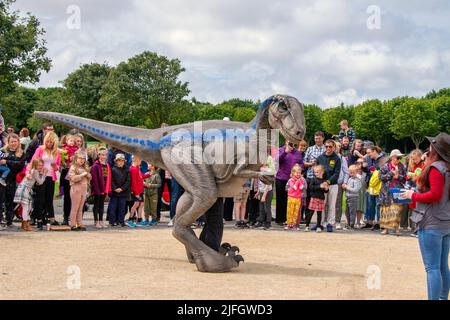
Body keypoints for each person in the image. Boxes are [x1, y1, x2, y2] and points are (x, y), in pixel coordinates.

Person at [401, 133, 450, 300]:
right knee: (442, 266)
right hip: (445, 222)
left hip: (431, 223)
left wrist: (412, 195)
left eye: (431, 145)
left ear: (435, 148)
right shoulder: (447, 167)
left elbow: (435, 195)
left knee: (432, 268)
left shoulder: (436, 168)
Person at [28, 131, 61, 227]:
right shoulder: (40, 149)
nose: (49, 144)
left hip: (51, 177)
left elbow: (58, 167)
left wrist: (55, 167)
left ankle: (51, 219)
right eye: (47, 142)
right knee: (39, 199)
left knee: (49, 199)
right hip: (40, 176)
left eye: (51, 142)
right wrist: (28, 172)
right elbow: (33, 161)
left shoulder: (57, 152)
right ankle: (38, 219)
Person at [378, 149, 407, 235]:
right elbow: (380, 177)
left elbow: (405, 178)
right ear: (392, 157)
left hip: (397, 190)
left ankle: (397, 228)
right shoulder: (385, 166)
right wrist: (391, 174)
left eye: (400, 157)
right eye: (397, 157)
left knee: (397, 209)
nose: (399, 159)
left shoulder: (402, 167)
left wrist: (398, 176)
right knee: (386, 210)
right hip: (386, 191)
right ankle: (386, 229)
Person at [0, 134, 26, 227]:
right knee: (0, 200)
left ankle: (9, 220)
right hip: (1, 180)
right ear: (8, 142)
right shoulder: (3, 151)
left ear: (18, 142)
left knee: (10, 201)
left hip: (13, 180)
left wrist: (7, 162)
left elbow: (20, 166)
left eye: (15, 141)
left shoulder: (21, 153)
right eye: (12, 141)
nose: (14, 143)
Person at [275, 140, 303, 225]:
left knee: (290, 200)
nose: (291, 144)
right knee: (280, 199)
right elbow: (276, 161)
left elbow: (301, 164)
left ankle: (289, 219)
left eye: (292, 142)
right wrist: (285, 152)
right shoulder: (280, 150)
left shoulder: (297, 153)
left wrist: (299, 168)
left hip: (293, 180)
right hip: (281, 178)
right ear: (286, 141)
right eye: (289, 142)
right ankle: (280, 219)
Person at [14, 158, 46, 231]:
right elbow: (40, 182)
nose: (40, 167)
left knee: (27, 208)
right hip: (24, 189)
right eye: (39, 165)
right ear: (35, 165)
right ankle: (26, 225)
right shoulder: (34, 171)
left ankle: (24, 224)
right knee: (26, 208)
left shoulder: (34, 171)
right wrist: (44, 174)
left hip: (25, 189)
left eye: (42, 165)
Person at [316, 139, 341, 232]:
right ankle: (320, 223)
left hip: (333, 184)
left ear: (334, 147)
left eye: (330, 146)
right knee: (322, 205)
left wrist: (328, 182)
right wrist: (322, 182)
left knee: (331, 205)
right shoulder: (320, 158)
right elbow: (317, 171)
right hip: (322, 184)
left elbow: (336, 173)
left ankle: (330, 224)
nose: (328, 148)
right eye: (326, 146)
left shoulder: (337, 158)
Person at [68, 150, 91, 231]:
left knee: (81, 208)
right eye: (80, 158)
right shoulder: (73, 167)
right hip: (76, 189)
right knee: (75, 207)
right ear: (76, 159)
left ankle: (80, 223)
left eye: (83, 158)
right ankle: (73, 224)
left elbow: (89, 178)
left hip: (83, 189)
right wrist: (82, 175)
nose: (81, 160)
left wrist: (88, 175)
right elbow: (73, 178)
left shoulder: (85, 167)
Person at [90, 147, 112, 229]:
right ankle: (96, 221)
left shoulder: (107, 165)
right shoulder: (95, 166)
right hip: (97, 189)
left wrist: (107, 189)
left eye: (105, 155)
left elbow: (109, 177)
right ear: (98, 155)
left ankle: (101, 220)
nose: (104, 156)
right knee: (96, 205)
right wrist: (97, 190)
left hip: (104, 188)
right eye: (102, 155)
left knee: (102, 205)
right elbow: (94, 180)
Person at [60, 134, 79, 225]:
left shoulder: (78, 150)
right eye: (70, 140)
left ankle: (75, 219)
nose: (72, 142)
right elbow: (61, 161)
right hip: (66, 172)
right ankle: (66, 217)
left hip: (76, 173)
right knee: (67, 196)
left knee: (76, 197)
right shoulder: (64, 150)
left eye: (73, 141)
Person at [108, 154, 131, 227]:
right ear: (116, 162)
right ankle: (112, 221)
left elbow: (128, 181)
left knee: (122, 208)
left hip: (123, 192)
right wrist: (115, 188)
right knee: (113, 207)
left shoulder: (127, 170)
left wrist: (122, 188)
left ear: (124, 162)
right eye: (119, 161)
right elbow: (111, 180)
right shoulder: (113, 169)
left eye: (122, 161)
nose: (120, 162)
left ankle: (121, 221)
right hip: (114, 193)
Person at [128, 156, 151, 227]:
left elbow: (141, 176)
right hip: (136, 191)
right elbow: (134, 182)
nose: (141, 161)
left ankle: (139, 219)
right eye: (140, 159)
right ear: (135, 159)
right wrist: (136, 193)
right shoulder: (133, 169)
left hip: (140, 190)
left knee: (141, 205)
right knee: (135, 205)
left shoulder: (137, 168)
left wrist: (149, 174)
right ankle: (130, 220)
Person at [405, 149, 424, 233]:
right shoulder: (413, 166)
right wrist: (410, 177)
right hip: (413, 189)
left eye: (416, 159)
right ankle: (414, 228)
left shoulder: (423, 165)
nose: (414, 161)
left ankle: (418, 228)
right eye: (413, 159)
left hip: (420, 189)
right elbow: (408, 177)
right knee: (413, 208)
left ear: (420, 157)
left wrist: (417, 178)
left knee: (418, 208)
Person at [306, 165, 328, 232]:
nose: (316, 174)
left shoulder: (324, 181)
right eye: (315, 172)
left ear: (322, 172)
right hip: (314, 198)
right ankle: (307, 225)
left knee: (319, 213)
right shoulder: (313, 179)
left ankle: (318, 226)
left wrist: (326, 189)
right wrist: (319, 186)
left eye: (317, 172)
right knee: (311, 212)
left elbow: (325, 191)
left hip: (321, 198)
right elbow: (311, 188)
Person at [253, 163, 274, 230]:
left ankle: (268, 222)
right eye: (262, 167)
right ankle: (261, 221)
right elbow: (260, 185)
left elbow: (267, 186)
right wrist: (258, 192)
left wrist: (264, 196)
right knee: (261, 208)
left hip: (267, 193)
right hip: (262, 192)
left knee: (267, 208)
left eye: (265, 167)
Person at [285, 164, 305, 231]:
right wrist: (297, 182)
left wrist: (300, 182)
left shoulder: (301, 180)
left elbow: (302, 187)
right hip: (291, 197)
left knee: (296, 212)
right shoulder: (291, 180)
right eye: (297, 173)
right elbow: (295, 187)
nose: (298, 174)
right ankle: (288, 224)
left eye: (299, 173)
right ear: (293, 173)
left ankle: (294, 224)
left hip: (298, 198)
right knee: (290, 211)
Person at [334, 141, 349, 231]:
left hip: (339, 183)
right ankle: (327, 221)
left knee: (338, 203)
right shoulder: (328, 157)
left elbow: (346, 172)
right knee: (327, 204)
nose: (337, 147)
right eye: (336, 145)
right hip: (330, 183)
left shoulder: (342, 158)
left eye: (339, 146)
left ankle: (338, 222)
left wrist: (345, 182)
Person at [342, 165, 362, 229]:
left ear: (356, 172)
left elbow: (355, 190)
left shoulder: (357, 180)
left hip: (353, 198)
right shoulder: (350, 179)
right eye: (350, 172)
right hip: (348, 197)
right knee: (346, 211)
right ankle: (348, 223)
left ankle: (352, 224)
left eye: (352, 172)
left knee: (352, 212)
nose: (351, 174)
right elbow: (348, 188)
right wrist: (344, 187)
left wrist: (347, 187)